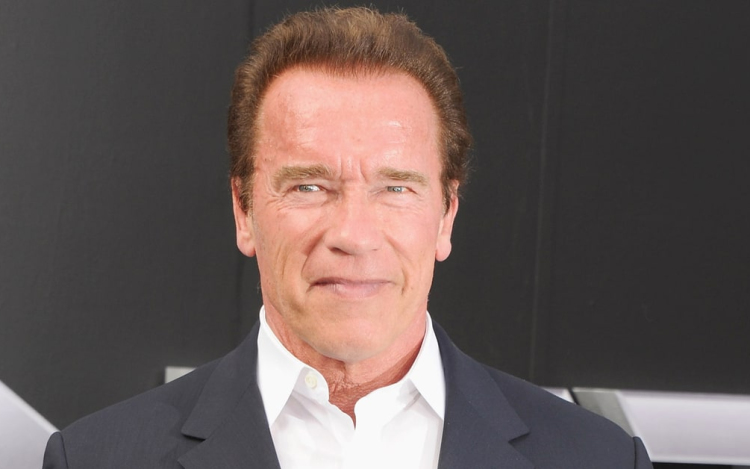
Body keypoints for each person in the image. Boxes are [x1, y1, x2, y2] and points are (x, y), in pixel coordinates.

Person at [43, 7, 653, 469]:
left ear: (446, 216)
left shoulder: (597, 460)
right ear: (244, 211)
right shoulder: (97, 459)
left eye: (396, 187)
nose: (354, 235)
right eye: (309, 186)